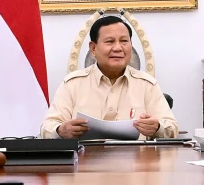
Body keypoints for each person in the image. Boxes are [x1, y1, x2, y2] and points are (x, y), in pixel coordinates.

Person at [41, 15, 179, 139]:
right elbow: (47, 127)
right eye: (110, 41)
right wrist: (60, 130)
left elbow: (172, 128)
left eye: (124, 41)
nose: (118, 48)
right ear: (93, 48)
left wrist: (157, 128)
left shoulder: (147, 84)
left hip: (137, 158)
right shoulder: (72, 84)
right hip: (86, 158)